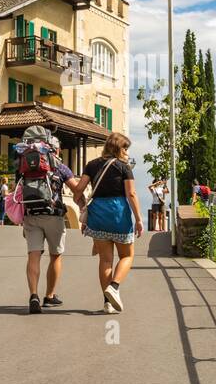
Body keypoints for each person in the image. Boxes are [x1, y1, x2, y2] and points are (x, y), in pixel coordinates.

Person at [14, 125, 85, 313]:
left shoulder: (22, 165)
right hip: (54, 215)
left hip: (31, 214)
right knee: (55, 255)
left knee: (33, 255)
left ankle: (33, 295)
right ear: (54, 148)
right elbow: (76, 189)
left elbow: (18, 190)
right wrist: (84, 205)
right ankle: (49, 296)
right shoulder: (59, 166)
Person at [76, 132, 143, 313]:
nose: (127, 152)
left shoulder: (91, 165)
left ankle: (107, 303)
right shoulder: (124, 167)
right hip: (118, 213)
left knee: (105, 260)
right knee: (127, 256)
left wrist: (83, 207)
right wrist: (138, 219)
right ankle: (114, 287)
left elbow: (78, 190)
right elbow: (131, 194)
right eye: (125, 148)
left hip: (98, 214)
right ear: (119, 148)